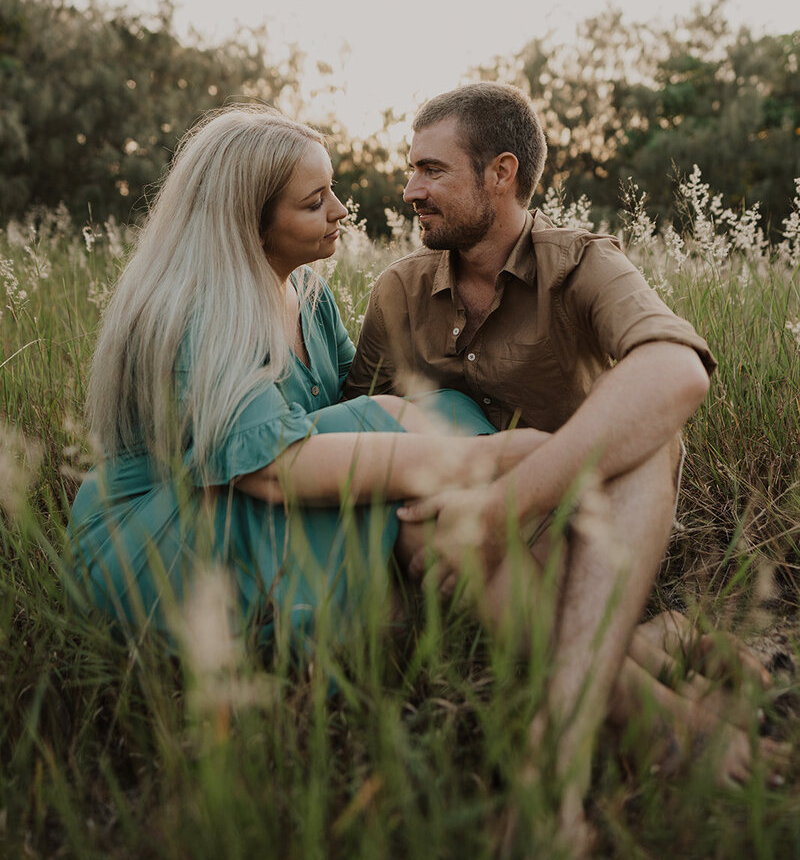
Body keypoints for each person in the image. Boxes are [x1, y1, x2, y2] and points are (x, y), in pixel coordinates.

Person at [344, 82, 784, 848]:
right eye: (410, 170)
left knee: (652, 436)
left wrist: (507, 502)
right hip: (459, 555)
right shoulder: (397, 292)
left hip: (594, 540)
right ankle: (663, 674)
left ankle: (564, 748)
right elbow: (359, 427)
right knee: (422, 519)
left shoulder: (581, 264)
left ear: (501, 173)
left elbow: (678, 372)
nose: (409, 190)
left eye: (431, 170)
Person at [65, 103, 537, 658]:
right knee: (401, 438)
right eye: (315, 202)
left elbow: (348, 404)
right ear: (248, 222)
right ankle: (610, 668)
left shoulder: (308, 295)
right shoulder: (200, 312)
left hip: (246, 506)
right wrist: (494, 456)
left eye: (331, 190)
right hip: (159, 541)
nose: (340, 210)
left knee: (424, 429)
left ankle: (601, 655)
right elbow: (270, 470)